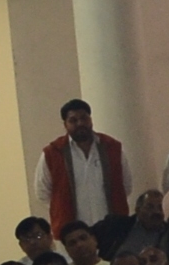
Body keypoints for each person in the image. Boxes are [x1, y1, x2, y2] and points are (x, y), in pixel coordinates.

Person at [37, 98, 130, 229]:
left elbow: (126, 185)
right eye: (73, 120)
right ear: (65, 124)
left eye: (84, 118)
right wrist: (62, 208)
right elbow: (43, 192)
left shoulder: (112, 147)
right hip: (71, 232)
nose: (80, 123)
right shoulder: (53, 153)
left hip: (112, 227)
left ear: (90, 120)